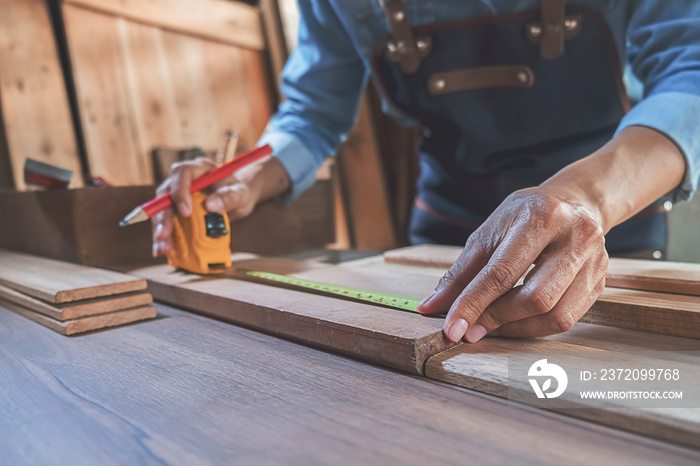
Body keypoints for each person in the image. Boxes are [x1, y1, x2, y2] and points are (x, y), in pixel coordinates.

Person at [152, 0, 700, 344]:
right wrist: (250, 178)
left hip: (610, 222)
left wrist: (583, 196)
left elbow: (691, 72)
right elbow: (312, 112)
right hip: (443, 241)